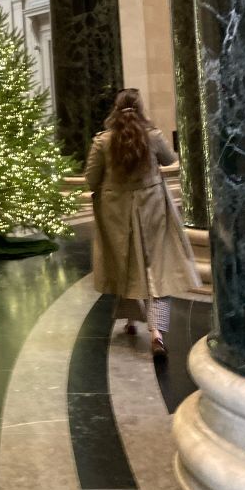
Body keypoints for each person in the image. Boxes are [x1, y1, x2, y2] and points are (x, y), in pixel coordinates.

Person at [84, 88, 201, 360]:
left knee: (125, 264)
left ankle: (131, 319)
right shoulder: (153, 136)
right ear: (141, 108)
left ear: (116, 109)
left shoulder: (103, 141)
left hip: (115, 212)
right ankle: (156, 333)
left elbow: (91, 179)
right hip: (153, 209)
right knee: (157, 268)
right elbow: (170, 160)